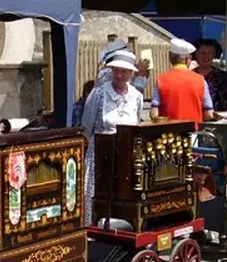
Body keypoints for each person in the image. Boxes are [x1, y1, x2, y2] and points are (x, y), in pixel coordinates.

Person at [81, 51, 144, 225]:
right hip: (101, 152)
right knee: (96, 192)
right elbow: (87, 127)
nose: (118, 75)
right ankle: (92, 225)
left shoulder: (137, 97)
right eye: (115, 70)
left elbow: (136, 123)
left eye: (123, 71)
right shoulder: (99, 94)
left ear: (131, 73)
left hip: (125, 154)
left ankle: (123, 223)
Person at [150, 38, 214, 129]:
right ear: (188, 59)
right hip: (193, 134)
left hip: (168, 136)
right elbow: (209, 115)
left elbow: (154, 114)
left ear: (170, 57)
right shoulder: (201, 80)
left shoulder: (160, 80)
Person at [191, 38, 227, 112]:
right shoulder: (189, 77)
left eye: (210, 53)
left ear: (214, 55)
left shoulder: (225, 78)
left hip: (220, 120)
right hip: (195, 118)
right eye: (203, 53)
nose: (206, 56)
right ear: (196, 54)